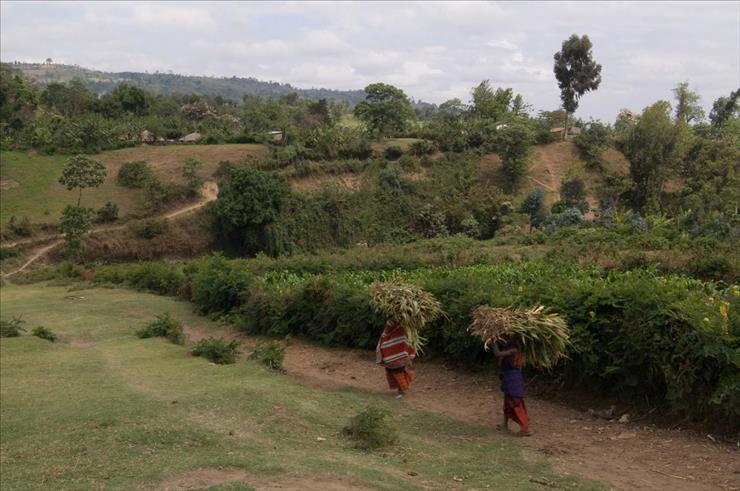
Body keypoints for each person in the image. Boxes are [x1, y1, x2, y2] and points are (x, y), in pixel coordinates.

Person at [493, 338, 531, 436]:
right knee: (507, 403)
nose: (503, 341)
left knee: (515, 402)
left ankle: (525, 427)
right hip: (508, 379)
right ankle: (504, 424)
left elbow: (497, 353)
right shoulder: (508, 349)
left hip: (514, 380)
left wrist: (493, 342)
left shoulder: (513, 350)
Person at [375, 319, 416, 399]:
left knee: (398, 371)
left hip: (396, 354)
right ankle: (402, 389)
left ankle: (402, 390)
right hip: (395, 353)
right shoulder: (403, 324)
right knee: (397, 371)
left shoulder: (403, 324)